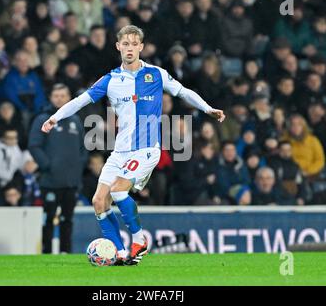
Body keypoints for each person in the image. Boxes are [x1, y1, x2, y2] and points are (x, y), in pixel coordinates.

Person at [41, 25, 225, 265]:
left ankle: (139, 239)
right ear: (118, 47)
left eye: (133, 43)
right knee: (99, 200)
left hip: (147, 149)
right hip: (120, 151)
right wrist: (55, 117)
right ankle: (119, 253)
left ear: (141, 47)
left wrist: (207, 108)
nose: (129, 48)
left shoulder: (156, 74)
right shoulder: (110, 80)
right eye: (124, 44)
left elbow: (183, 92)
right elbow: (80, 100)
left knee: (118, 190)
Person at [29, 83, 87, 254]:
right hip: (50, 180)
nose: (60, 99)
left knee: (67, 220)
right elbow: (34, 145)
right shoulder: (42, 120)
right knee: (48, 219)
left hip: (71, 181)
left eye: (63, 95)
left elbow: (83, 150)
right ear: (51, 98)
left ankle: (66, 252)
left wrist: (78, 168)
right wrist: (47, 165)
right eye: (56, 96)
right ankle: (46, 253)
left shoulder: (76, 121)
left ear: (69, 97)